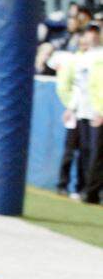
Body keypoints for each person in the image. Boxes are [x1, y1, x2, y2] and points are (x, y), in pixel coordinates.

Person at [56, 23, 103, 201]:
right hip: (84, 110)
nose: (90, 37)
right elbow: (80, 86)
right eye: (88, 33)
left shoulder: (98, 56)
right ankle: (84, 188)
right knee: (84, 151)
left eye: (94, 33)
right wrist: (72, 107)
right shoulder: (80, 58)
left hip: (96, 111)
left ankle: (90, 192)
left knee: (95, 153)